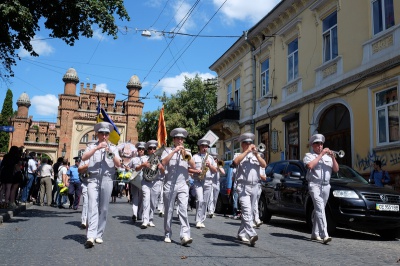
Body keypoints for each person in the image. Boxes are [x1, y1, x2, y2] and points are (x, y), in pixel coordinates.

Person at [81, 121, 121, 248]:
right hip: (93, 179)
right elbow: (84, 158)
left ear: (109, 135)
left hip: (107, 179)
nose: (104, 136)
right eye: (101, 134)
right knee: (92, 205)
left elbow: (118, 164)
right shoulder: (91, 146)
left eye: (106, 134)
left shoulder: (113, 147)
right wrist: (97, 148)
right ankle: (90, 236)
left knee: (103, 208)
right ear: (97, 134)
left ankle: (99, 234)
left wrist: (110, 152)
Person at [161, 127, 196, 246]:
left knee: (183, 210)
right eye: (178, 139)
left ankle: (185, 235)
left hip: (183, 184)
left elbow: (193, 165)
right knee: (169, 210)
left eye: (182, 139)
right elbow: (163, 163)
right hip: (169, 184)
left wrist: (185, 153)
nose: (180, 141)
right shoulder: (167, 151)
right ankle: (167, 233)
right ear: (174, 140)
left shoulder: (188, 153)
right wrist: (174, 151)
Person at [303, 133, 338, 244]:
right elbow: (310, 166)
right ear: (313, 145)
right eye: (317, 144)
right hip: (315, 185)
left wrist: (332, 156)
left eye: (321, 144)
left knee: (320, 209)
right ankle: (324, 234)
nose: (320, 146)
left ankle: (315, 233)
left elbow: (336, 169)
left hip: (326, 185)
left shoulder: (328, 158)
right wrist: (321, 155)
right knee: (319, 208)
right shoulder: (309, 156)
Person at [232, 133, 267, 247]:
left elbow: (264, 165)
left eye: (250, 143)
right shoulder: (238, 154)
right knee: (246, 212)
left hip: (255, 186)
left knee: (250, 213)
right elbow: (235, 163)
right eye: (246, 143)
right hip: (243, 186)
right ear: (242, 144)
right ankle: (252, 234)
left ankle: (241, 233)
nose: (249, 145)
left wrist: (256, 155)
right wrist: (247, 152)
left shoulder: (257, 155)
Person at [189, 138, 217, 228]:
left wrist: (210, 165)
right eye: (203, 146)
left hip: (208, 181)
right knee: (200, 200)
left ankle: (202, 219)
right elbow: (189, 169)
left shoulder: (211, 158)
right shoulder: (194, 157)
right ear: (199, 146)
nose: (204, 148)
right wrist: (196, 171)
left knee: (205, 201)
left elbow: (215, 170)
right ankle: (197, 220)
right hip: (198, 180)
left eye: (206, 146)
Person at [139, 140, 165, 229]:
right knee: (146, 200)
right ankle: (145, 220)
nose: (153, 150)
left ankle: (150, 219)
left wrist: (161, 167)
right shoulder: (143, 158)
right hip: (146, 182)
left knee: (153, 202)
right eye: (150, 148)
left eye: (154, 148)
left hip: (156, 182)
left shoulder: (160, 159)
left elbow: (164, 172)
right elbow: (136, 168)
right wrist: (143, 165)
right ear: (147, 150)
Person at [129, 141, 146, 222]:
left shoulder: (147, 158)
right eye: (139, 149)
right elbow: (128, 167)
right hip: (135, 180)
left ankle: (140, 214)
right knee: (135, 196)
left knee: (142, 198)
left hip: (144, 180)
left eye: (142, 149)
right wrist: (130, 170)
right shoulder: (133, 159)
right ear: (137, 150)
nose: (141, 150)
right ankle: (135, 214)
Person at [207, 153, 225, 218]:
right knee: (211, 198)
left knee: (215, 198)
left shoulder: (219, 165)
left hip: (217, 183)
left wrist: (219, 167)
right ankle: (210, 211)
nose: (215, 160)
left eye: (216, 159)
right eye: (214, 159)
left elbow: (223, 172)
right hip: (211, 182)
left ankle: (213, 211)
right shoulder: (210, 165)